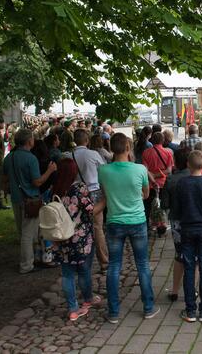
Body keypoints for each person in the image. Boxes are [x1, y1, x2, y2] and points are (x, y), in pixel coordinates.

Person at [97, 133, 159, 323]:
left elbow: (105, 194)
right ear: (127, 148)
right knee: (142, 264)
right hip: (137, 221)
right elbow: (146, 194)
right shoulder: (140, 169)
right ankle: (148, 307)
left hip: (114, 221)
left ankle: (114, 312)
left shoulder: (103, 171)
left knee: (114, 266)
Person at [52, 158, 102, 321]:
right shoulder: (79, 189)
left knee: (67, 274)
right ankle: (87, 299)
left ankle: (73, 308)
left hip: (61, 238)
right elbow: (90, 211)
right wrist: (105, 201)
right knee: (84, 270)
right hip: (80, 239)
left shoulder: (56, 190)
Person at [3, 128, 57, 274]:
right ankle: (27, 265)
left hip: (16, 198)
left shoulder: (9, 157)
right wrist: (50, 170)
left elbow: (5, 179)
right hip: (30, 200)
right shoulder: (30, 158)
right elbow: (37, 182)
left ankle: (34, 259)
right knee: (28, 234)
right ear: (29, 141)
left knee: (24, 232)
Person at [174, 150, 202, 322]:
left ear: (187, 165)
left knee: (189, 267)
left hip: (187, 229)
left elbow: (176, 210)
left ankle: (190, 310)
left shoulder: (182, 183)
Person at [66, 129, 109, 271]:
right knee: (98, 228)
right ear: (87, 140)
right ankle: (103, 261)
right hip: (94, 192)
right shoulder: (93, 154)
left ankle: (80, 259)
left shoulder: (68, 155)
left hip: (77, 195)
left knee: (78, 226)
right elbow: (104, 170)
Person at [161, 147, 191, 301]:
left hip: (177, 222)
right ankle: (191, 290)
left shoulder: (171, 179)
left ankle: (174, 290)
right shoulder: (197, 177)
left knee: (180, 255)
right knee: (195, 257)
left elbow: (165, 204)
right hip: (194, 222)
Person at [142, 131, 174, 234]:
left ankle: (148, 227)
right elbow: (169, 171)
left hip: (150, 185)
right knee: (162, 206)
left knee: (148, 207)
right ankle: (163, 224)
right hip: (163, 183)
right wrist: (157, 175)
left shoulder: (146, 153)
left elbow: (145, 170)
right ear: (163, 140)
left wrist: (152, 176)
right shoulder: (168, 152)